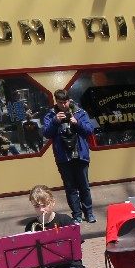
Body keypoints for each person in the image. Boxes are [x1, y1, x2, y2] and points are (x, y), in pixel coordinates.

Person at [42, 89, 98, 223]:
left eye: (65, 102)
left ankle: (89, 213)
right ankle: (77, 215)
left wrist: (77, 123)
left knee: (84, 186)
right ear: (56, 102)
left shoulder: (79, 112)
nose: (63, 105)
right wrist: (55, 121)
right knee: (70, 188)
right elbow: (46, 133)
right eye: (60, 103)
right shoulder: (51, 114)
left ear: (69, 100)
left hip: (80, 155)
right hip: (63, 158)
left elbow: (90, 130)